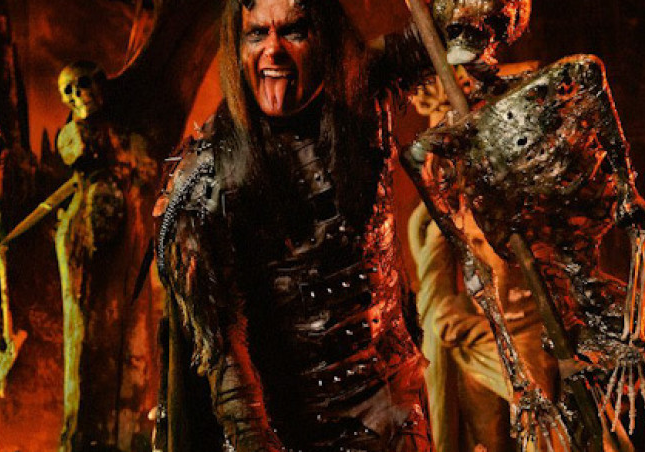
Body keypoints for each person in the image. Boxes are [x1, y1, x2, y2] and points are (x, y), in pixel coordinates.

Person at [153, 0, 451, 450]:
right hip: (290, 433)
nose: (272, 50)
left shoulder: (364, 94)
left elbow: (479, 18)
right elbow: (226, 359)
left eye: (293, 31)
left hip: (396, 416)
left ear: (324, 35)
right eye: (257, 34)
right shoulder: (207, 176)